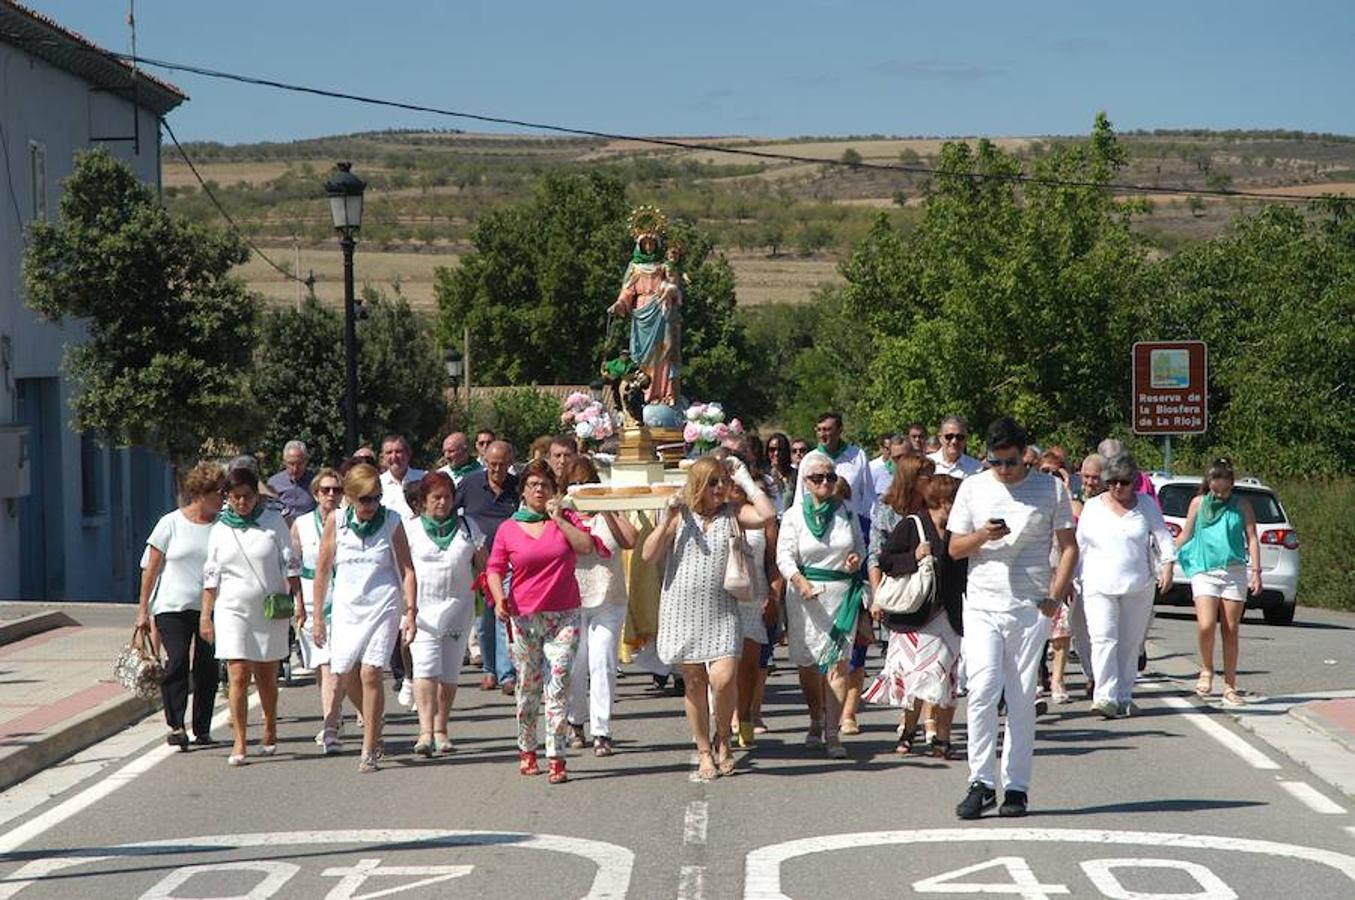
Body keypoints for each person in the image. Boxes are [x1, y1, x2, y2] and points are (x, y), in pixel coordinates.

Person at [949, 417, 1076, 819]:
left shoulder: (1050, 488)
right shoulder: (973, 486)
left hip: (1030, 606)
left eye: (1010, 462)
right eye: (995, 462)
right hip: (983, 603)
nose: (1003, 470)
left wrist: (1055, 597)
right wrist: (983, 536)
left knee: (1021, 697)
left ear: (1024, 455)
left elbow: (1069, 548)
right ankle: (981, 782)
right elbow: (953, 548)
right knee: (983, 687)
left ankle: (1016, 788)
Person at [644, 455, 775, 779]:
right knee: (694, 682)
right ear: (699, 485)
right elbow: (648, 554)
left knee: (724, 678)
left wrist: (743, 477)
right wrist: (666, 520)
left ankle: (725, 740)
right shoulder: (681, 514)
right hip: (681, 610)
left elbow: (767, 515)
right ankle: (705, 751)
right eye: (713, 482)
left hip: (722, 611)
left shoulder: (733, 513)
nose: (720, 488)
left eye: (722, 482)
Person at [486, 459, 599, 785]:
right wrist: (498, 599)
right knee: (528, 688)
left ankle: (557, 757)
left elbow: (587, 547)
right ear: (522, 491)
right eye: (533, 485)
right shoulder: (508, 528)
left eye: (545, 486)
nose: (539, 490)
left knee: (560, 683)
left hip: (563, 615)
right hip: (524, 618)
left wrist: (559, 520)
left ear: (554, 491)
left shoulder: (564, 521)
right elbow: (495, 568)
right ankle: (527, 749)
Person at [312, 463, 419, 772]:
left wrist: (410, 611)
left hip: (382, 602)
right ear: (350, 497)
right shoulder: (337, 521)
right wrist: (318, 615)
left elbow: (408, 570)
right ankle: (375, 721)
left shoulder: (392, 521)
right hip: (347, 605)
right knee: (346, 673)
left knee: (371, 672)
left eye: (376, 498)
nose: (371, 505)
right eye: (365, 499)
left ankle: (369, 746)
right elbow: (322, 571)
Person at [199, 466, 302, 766]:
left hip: (268, 609)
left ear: (256, 496)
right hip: (232, 609)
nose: (241, 503)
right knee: (238, 673)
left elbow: (290, 565)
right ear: (227, 497)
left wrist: (300, 603)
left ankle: (270, 724)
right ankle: (240, 740)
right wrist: (206, 615)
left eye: (246, 496)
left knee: (267, 677)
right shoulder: (220, 528)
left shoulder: (273, 523)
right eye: (234, 497)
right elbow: (211, 576)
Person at [865, 463, 966, 759]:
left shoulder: (959, 532)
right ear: (941, 501)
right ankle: (908, 731)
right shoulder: (913, 524)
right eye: (954, 501)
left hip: (948, 616)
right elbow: (885, 560)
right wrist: (914, 556)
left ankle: (942, 740)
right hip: (913, 618)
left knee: (946, 679)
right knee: (912, 680)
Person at [776, 449, 867, 759]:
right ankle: (815, 717)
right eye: (818, 478)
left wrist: (856, 560)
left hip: (841, 594)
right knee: (809, 662)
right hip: (805, 596)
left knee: (839, 662)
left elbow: (860, 547)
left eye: (830, 477)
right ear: (806, 481)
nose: (825, 482)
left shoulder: (847, 513)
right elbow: (784, 555)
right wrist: (799, 581)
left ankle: (832, 732)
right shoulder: (793, 515)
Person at [1077, 454, 1175, 718]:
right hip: (1098, 584)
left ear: (1133, 482)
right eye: (1112, 482)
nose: (1118, 487)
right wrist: (1071, 580)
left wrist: (1168, 565)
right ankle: (1104, 696)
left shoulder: (1145, 505)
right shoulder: (1093, 508)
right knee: (1103, 639)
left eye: (1123, 482)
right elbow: (1079, 547)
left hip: (1138, 584)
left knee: (1129, 643)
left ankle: (1123, 694)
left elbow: (1162, 536)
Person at [136, 461, 225, 750]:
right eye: (218, 493)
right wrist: (143, 610)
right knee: (176, 661)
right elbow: (150, 568)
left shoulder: (222, 526)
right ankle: (176, 724)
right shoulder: (170, 523)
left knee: (207, 667)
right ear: (201, 493)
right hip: (172, 606)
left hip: (210, 609)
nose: (222, 498)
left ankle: (202, 728)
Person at [563, 457, 639, 757]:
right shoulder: (564, 512)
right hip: (573, 600)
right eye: (577, 483)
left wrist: (605, 507)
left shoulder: (609, 508)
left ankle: (602, 730)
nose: (583, 489)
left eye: (588, 482)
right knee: (576, 665)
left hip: (609, 599)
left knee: (603, 662)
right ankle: (575, 722)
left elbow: (631, 539)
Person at [407, 471, 486, 755]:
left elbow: (484, 565)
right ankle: (425, 732)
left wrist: (492, 594)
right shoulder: (410, 529)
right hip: (422, 611)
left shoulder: (468, 526)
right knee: (426, 668)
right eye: (435, 497)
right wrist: (406, 608)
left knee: (450, 673)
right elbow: (403, 571)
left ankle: (442, 730)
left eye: (447, 497)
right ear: (423, 501)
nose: (442, 503)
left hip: (458, 608)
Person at [1175, 457, 1262, 707]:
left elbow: (1252, 538)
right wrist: (1167, 556)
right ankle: (1206, 669)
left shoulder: (1241, 505)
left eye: (1224, 488)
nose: (1220, 493)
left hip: (1234, 571)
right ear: (1208, 483)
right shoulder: (1198, 504)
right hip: (1205, 570)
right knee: (1205, 625)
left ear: (1232, 484)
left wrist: (1256, 571)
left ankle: (1230, 685)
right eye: (1215, 487)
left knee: (1231, 628)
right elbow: (1186, 533)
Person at [291, 467, 364, 753]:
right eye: (325, 490)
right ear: (315, 494)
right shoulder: (301, 524)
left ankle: (332, 724)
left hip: (345, 599)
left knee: (339, 666)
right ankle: (338, 719)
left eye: (336, 490)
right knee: (323, 668)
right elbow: (293, 567)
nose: (331, 495)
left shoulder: (350, 522)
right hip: (312, 601)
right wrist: (298, 603)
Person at [717, 440, 783, 750]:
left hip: (752, 598)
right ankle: (722, 723)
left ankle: (744, 716)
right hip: (719, 599)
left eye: (731, 475)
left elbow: (772, 558)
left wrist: (774, 595)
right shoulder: (714, 510)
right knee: (722, 668)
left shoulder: (755, 508)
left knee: (748, 669)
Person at [458, 440, 520, 695]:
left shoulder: (518, 487)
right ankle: (489, 670)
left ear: (510, 464)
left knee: (504, 616)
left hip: (510, 562)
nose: (496, 469)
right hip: (480, 563)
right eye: (492, 464)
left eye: (502, 464)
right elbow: (451, 512)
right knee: (484, 621)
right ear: (485, 461)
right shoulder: (470, 484)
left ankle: (507, 674)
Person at [813, 412, 874, 528]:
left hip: (853, 526)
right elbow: (801, 499)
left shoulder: (858, 455)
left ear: (840, 430)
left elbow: (868, 496)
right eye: (819, 430)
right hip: (821, 527)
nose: (822, 434)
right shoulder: (810, 460)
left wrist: (871, 528)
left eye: (827, 430)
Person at [379, 433, 425, 520]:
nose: (394, 457)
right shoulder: (377, 484)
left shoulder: (424, 478)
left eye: (398, 451)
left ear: (408, 454)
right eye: (389, 452)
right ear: (383, 457)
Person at [267, 440, 316, 522]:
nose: (295, 469)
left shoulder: (315, 481)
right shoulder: (274, 483)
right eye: (291, 464)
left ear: (306, 461)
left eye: (299, 463)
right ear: (284, 462)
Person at [928, 415, 984, 480]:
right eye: (949, 436)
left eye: (959, 437)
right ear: (940, 438)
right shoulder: (926, 462)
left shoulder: (976, 468)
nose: (954, 441)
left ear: (966, 439)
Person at [764, 432, 796, 515]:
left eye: (780, 449)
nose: (776, 453)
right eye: (772, 449)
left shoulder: (796, 475)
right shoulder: (764, 476)